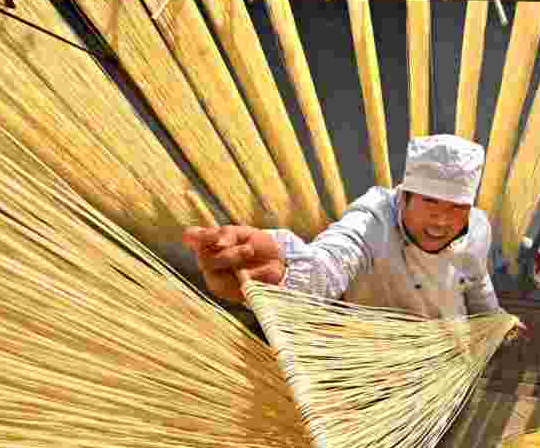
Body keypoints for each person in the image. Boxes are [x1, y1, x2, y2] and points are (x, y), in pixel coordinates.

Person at [183, 135, 512, 322]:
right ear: (405, 195)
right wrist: (280, 276)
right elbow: (330, 265)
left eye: (456, 207)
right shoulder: (373, 221)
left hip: (443, 351)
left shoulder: (477, 227)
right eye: (430, 203)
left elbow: (476, 280)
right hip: (369, 354)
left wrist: (496, 320)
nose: (441, 221)